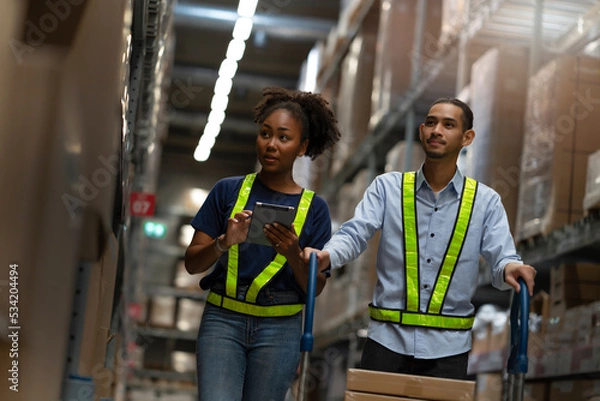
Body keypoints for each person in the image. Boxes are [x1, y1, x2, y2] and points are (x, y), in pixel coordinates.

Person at [303, 97, 536, 380]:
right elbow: (355, 232)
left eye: (448, 125)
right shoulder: (388, 187)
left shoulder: (485, 201)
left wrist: (511, 267)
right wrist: (328, 254)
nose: (436, 130)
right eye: (430, 122)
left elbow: (502, 257)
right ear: (421, 131)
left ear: (467, 137)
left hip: (449, 351)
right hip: (386, 342)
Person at [184, 86, 341, 401]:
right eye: (265, 134)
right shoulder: (226, 191)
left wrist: (294, 255)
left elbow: (316, 288)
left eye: (284, 137)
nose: (271, 144)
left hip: (279, 328)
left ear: (302, 147)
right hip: (222, 321)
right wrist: (223, 242)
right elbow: (192, 264)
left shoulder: (316, 209)